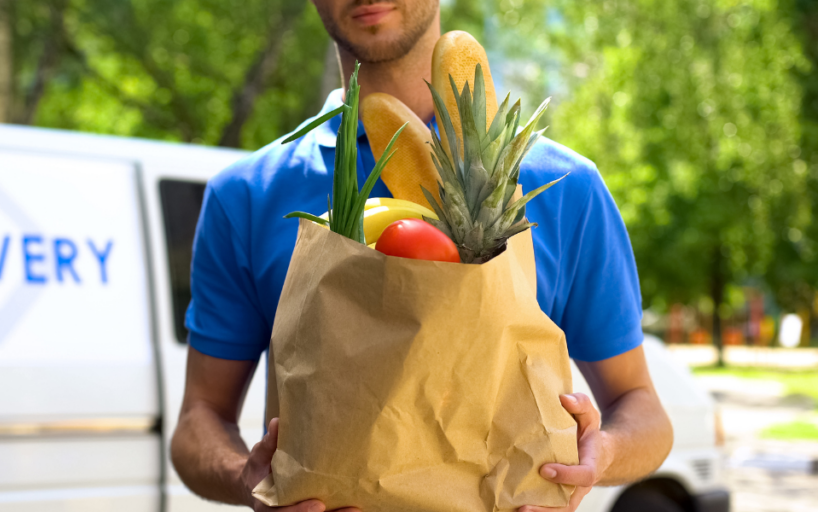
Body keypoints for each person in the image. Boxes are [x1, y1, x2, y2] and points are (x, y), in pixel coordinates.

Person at [169, 1, 674, 511]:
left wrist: (600, 455)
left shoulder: (564, 188)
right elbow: (199, 420)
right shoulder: (246, 196)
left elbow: (643, 410)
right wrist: (245, 479)